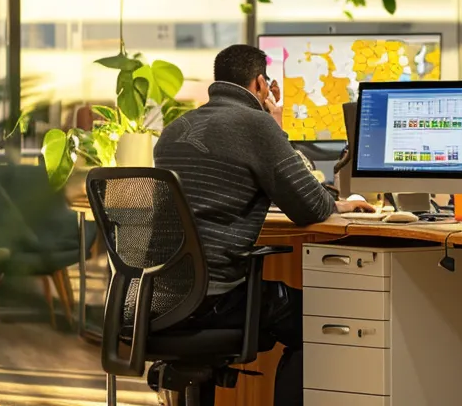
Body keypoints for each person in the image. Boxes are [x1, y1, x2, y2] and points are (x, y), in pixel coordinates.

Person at [151, 44, 375, 405]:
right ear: (260, 83)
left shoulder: (175, 129)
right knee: (317, 318)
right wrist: (276, 129)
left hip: (156, 298)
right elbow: (312, 209)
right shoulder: (255, 124)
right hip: (212, 300)